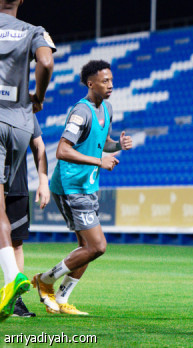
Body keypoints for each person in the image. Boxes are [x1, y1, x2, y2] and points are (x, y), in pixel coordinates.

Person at [32, 60, 132, 315]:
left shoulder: (107, 108)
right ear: (91, 83)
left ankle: (62, 299)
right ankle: (45, 279)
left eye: (111, 80)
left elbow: (103, 143)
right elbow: (63, 150)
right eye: (105, 81)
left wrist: (117, 144)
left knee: (85, 249)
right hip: (70, 185)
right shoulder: (81, 111)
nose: (111, 85)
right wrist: (100, 161)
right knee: (97, 246)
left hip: (87, 185)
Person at [0, 0, 55, 322]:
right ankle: (11, 282)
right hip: (22, 122)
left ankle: (11, 279)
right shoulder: (34, 31)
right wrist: (39, 96)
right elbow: (46, 63)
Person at [9, 117, 49, 317]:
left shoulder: (25, 111)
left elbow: (39, 146)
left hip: (17, 189)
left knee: (16, 244)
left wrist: (43, 181)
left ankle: (15, 300)